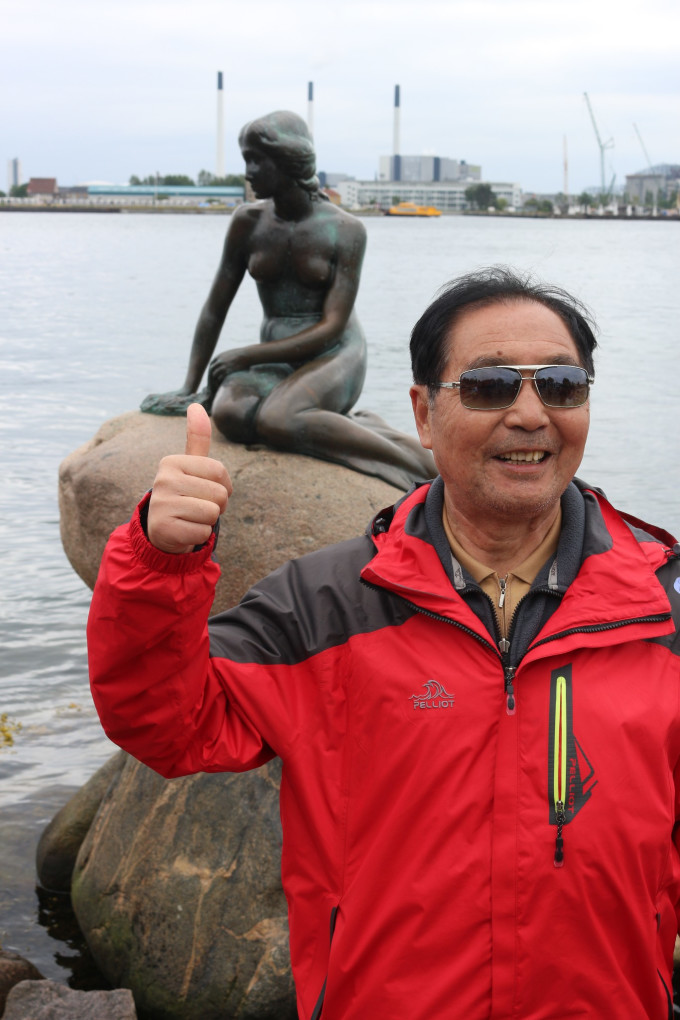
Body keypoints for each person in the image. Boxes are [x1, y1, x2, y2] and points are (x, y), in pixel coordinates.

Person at [89, 266, 680, 1019]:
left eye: (562, 386)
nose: (531, 414)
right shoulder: (326, 605)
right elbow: (168, 722)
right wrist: (160, 560)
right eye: (490, 386)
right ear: (424, 415)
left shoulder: (663, 608)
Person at [141, 110, 434, 490]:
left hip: (335, 354)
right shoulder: (247, 222)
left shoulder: (346, 230)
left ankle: (424, 470)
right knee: (231, 414)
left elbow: (332, 326)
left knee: (277, 420)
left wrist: (246, 356)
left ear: (288, 161)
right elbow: (215, 308)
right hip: (277, 358)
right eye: (246, 159)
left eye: (256, 160)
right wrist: (188, 386)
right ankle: (341, 423)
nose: (248, 172)